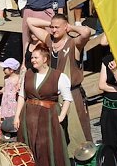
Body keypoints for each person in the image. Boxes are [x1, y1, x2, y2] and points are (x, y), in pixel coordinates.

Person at [28, 13, 93, 156]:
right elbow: (30, 21)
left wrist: (71, 27)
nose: (53, 30)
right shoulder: (49, 40)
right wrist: (50, 24)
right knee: (54, 131)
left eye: (57, 27)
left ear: (65, 27)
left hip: (72, 94)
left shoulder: (74, 43)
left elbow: (86, 32)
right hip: (52, 94)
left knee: (77, 132)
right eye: (52, 27)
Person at [14, 45, 72, 166]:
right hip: (28, 115)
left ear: (45, 59)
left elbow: (67, 98)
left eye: (35, 57)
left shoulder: (58, 76)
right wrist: (17, 116)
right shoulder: (28, 74)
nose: (32, 60)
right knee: (29, 146)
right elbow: (22, 95)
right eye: (32, 57)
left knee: (45, 147)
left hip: (48, 116)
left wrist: (61, 116)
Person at [0, 58, 21, 134]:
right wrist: (1, 90)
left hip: (13, 100)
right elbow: (5, 86)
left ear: (11, 69)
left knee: (12, 115)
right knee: (3, 115)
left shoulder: (17, 78)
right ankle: (6, 129)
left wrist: (18, 90)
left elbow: (18, 88)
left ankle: (14, 130)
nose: (3, 70)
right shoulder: (6, 78)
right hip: (5, 100)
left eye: (5, 68)